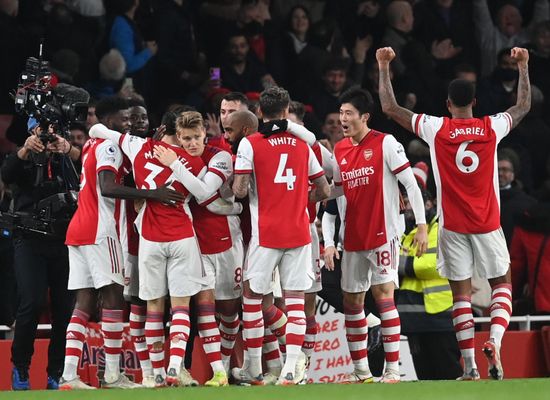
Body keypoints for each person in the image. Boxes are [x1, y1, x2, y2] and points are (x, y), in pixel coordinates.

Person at [377, 46, 532, 380]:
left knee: (460, 294)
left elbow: (390, 107)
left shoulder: (436, 128)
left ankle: (471, 368)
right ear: (474, 103)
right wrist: (523, 66)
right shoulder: (491, 128)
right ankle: (493, 339)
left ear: (448, 104)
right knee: (500, 283)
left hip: (452, 226)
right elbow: (522, 106)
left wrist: (383, 65)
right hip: (488, 223)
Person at [59, 96, 182, 390]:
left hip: (78, 229)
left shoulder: (91, 145)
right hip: (101, 230)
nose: (128, 125)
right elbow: (107, 187)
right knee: (114, 299)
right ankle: (113, 375)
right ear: (109, 120)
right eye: (124, 120)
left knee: (84, 303)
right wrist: (153, 194)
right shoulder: (110, 146)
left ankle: (68, 375)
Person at [325, 87, 428, 384]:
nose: (343, 119)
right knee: (352, 303)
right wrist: (329, 241)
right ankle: (361, 373)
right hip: (353, 237)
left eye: (348, 114)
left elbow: (410, 184)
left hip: (384, 234)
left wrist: (421, 225)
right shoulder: (340, 150)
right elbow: (335, 198)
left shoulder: (386, 143)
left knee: (384, 297)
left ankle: (393, 370)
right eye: (341, 113)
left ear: (364, 117)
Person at [232, 86, 330, 385]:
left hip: (266, 234)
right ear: (287, 112)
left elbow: (239, 190)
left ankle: (252, 369)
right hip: (299, 233)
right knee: (296, 302)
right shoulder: (303, 146)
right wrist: (300, 198)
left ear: (260, 112)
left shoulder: (250, 144)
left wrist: (241, 191)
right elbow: (324, 190)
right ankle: (290, 371)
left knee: (251, 297)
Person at [1, 119, 81, 390]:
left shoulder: (66, 156)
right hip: (29, 240)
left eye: (52, 132)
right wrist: (25, 150)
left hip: (64, 241)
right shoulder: (22, 157)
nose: (47, 138)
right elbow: (7, 174)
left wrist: (67, 149)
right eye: (41, 132)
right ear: (31, 132)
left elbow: (88, 168)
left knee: (64, 310)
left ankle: (55, 373)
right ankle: (20, 368)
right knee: (31, 303)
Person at [397, 179, 462, 381]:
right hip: (415, 319)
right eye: (405, 203)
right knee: (425, 379)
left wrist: (399, 262)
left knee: (449, 375)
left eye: (411, 203)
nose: (407, 208)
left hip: (440, 316)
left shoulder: (440, 227)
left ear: (428, 204)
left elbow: (429, 266)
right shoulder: (408, 232)